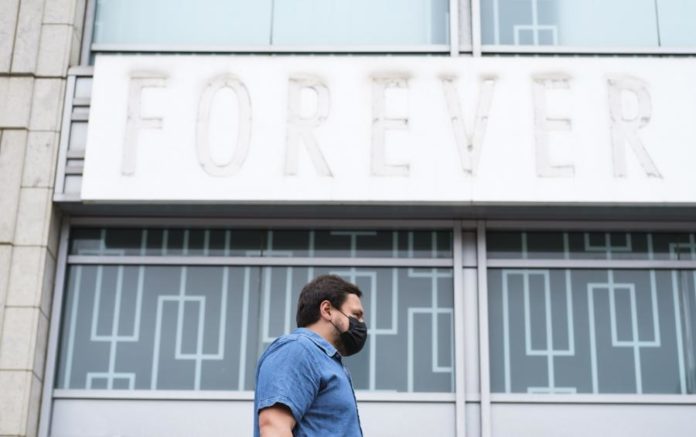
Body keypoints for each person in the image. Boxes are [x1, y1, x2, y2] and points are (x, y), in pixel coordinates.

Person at [253, 274, 367, 437]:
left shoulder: (326, 361)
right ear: (327, 310)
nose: (361, 324)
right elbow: (274, 427)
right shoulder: (297, 349)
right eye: (356, 315)